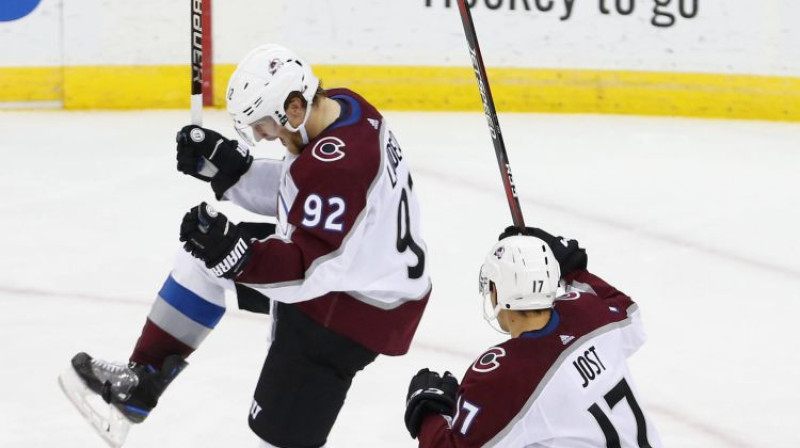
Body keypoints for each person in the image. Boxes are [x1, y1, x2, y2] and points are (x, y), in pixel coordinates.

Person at [59, 43, 431, 448]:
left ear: (293, 108)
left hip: (354, 309)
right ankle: (142, 382)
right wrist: (233, 170)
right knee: (199, 259)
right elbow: (302, 193)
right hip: (357, 272)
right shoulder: (341, 108)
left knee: (276, 440)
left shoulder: (339, 166)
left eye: (263, 125)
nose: (259, 136)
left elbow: (308, 272)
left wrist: (237, 256)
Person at [403, 226, 662, 447]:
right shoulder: (590, 310)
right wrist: (575, 270)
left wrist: (428, 413)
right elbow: (629, 315)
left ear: (496, 292)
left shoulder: (503, 375)